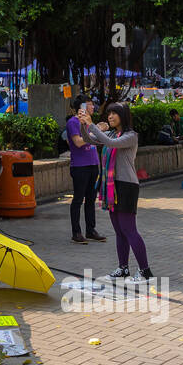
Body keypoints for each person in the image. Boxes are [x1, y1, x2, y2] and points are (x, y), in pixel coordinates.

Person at [76, 102, 152, 282]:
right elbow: (88, 139)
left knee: (129, 229)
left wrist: (91, 123)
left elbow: (110, 143)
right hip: (112, 186)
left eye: (114, 114)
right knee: (119, 230)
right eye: (108, 114)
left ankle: (145, 271)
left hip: (126, 186)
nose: (110, 117)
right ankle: (123, 268)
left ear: (123, 116)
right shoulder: (111, 133)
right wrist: (83, 123)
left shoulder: (130, 136)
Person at [66, 102, 106, 244]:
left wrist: (97, 130)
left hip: (93, 164)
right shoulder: (73, 122)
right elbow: (78, 142)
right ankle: (76, 232)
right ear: (81, 107)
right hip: (80, 166)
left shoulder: (89, 122)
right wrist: (95, 132)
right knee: (78, 199)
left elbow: (98, 138)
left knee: (91, 199)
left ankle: (91, 230)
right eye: (90, 105)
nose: (93, 107)